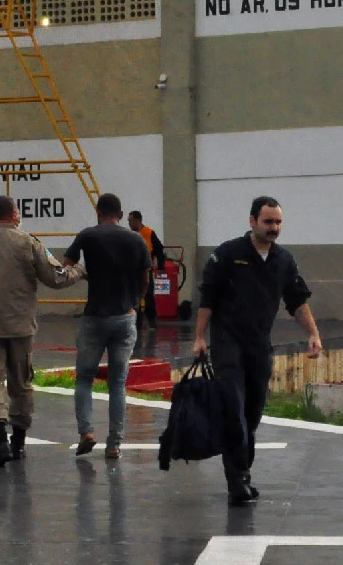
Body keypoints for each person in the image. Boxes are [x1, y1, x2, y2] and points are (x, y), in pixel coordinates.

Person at [193, 195, 322, 506]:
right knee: (234, 410)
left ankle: (242, 472)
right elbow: (208, 298)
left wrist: (314, 334)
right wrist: (199, 337)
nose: (274, 227)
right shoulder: (228, 254)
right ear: (252, 221)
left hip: (259, 347)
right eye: (268, 221)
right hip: (227, 344)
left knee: (252, 415)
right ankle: (236, 479)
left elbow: (298, 301)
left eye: (278, 222)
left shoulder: (284, 261)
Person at [0, 195, 86, 468]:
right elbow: (55, 278)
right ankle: (19, 443)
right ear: (12, 214)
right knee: (21, 383)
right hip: (21, 327)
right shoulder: (28, 243)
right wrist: (80, 270)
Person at [61, 193, 151, 459]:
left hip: (95, 317)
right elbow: (145, 277)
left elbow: (65, 267)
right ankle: (114, 445)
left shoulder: (88, 235)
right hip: (124, 317)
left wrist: (83, 273)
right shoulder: (135, 239)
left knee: (84, 379)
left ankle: (86, 432)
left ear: (98, 212)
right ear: (121, 215)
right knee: (118, 383)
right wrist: (135, 302)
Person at [127, 210, 166, 329]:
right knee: (133, 298)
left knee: (149, 297)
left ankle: (152, 321)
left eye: (130, 221)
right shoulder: (129, 235)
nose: (129, 223)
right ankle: (136, 323)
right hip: (132, 271)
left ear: (137, 220)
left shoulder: (149, 233)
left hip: (146, 270)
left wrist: (160, 266)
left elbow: (159, 250)